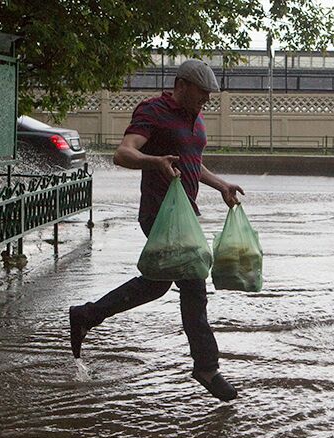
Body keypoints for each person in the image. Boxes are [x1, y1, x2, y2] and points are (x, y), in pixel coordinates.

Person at [69, 59, 244, 402]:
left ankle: (86, 315)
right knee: (194, 285)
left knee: (157, 284)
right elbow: (123, 153)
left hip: (185, 215)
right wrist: (154, 161)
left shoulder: (195, 116)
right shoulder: (153, 110)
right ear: (181, 85)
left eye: (210, 93)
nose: (206, 98)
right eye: (202, 91)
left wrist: (219, 184)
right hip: (159, 214)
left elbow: (191, 159)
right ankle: (206, 367)